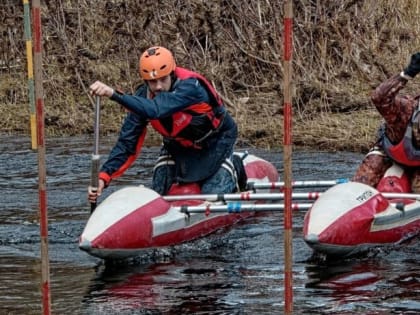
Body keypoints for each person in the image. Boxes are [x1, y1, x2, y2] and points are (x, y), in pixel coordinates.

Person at [88, 46, 244, 205]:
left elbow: (156, 109)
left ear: (172, 74)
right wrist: (103, 177)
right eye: (152, 81)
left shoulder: (191, 87)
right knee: (158, 190)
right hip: (178, 147)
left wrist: (113, 94)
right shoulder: (143, 98)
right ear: (145, 81)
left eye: (163, 79)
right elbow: (127, 144)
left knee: (213, 195)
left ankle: (235, 167)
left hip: (216, 143)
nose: (158, 87)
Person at [352, 52, 420, 192]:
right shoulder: (406, 110)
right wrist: (406, 74)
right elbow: (379, 97)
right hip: (389, 155)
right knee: (363, 182)